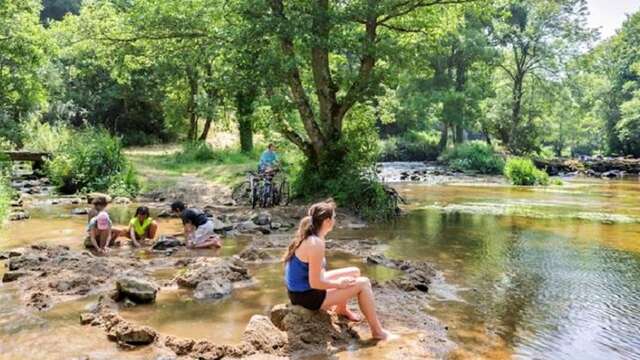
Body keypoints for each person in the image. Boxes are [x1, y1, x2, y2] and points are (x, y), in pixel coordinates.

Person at [283, 199, 391, 340]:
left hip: (302, 289)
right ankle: (377, 332)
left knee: (354, 271)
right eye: (334, 217)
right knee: (363, 283)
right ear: (327, 221)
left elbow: (314, 276)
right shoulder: (315, 243)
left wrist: (338, 282)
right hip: (305, 296)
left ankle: (341, 309)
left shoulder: (313, 237)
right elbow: (315, 283)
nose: (335, 220)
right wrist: (339, 284)